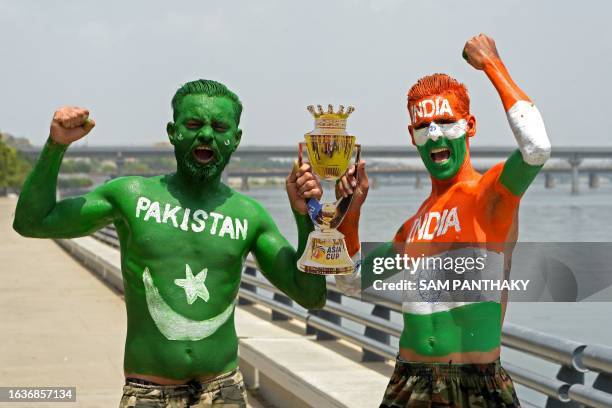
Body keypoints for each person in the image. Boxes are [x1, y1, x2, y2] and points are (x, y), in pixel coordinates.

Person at [13, 79, 326, 407]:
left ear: (235, 139)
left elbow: (311, 295)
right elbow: (32, 222)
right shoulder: (131, 196)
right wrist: (56, 145)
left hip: (223, 390)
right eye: (193, 124)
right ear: (172, 132)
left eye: (219, 127)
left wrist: (305, 219)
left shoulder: (250, 215)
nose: (206, 135)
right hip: (149, 393)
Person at [334, 34, 551, 407]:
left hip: (475, 384)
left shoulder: (491, 195)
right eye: (425, 125)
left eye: (446, 121)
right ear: (413, 137)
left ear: (470, 125)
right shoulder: (415, 224)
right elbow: (351, 280)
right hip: (409, 381)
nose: (434, 132)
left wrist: (491, 65)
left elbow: (536, 147)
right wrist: (351, 214)